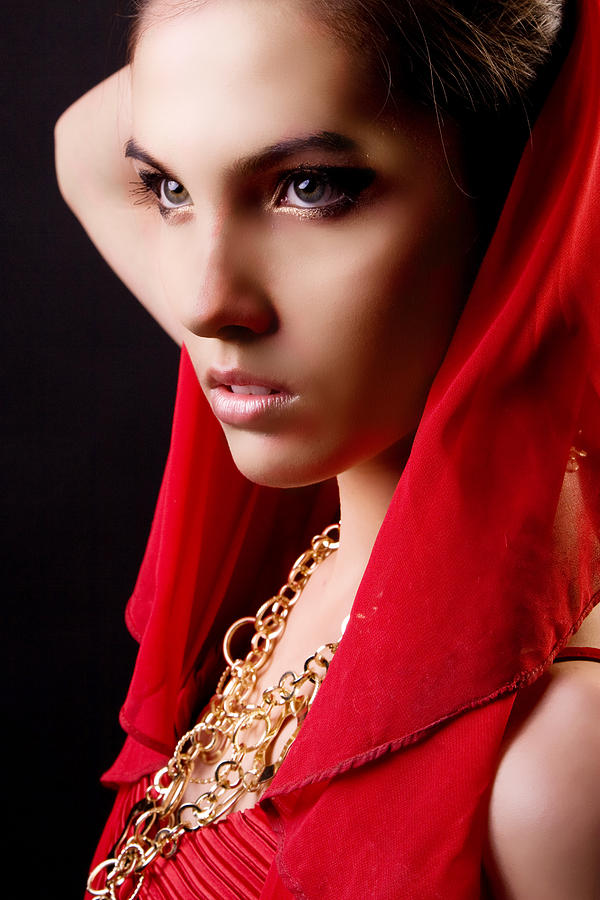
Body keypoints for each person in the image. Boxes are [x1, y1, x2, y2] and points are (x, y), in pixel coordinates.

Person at [54, 0, 600, 897]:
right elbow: (89, 145)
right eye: (171, 191)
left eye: (310, 187)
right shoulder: (310, 571)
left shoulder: (548, 769)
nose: (204, 304)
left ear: (520, 185)